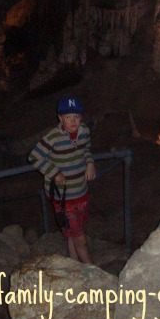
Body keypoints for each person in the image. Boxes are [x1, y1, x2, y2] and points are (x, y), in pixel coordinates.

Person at [28, 95, 96, 263]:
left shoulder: (84, 131)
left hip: (80, 191)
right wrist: (54, 172)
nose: (73, 121)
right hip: (63, 196)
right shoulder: (53, 137)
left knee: (73, 230)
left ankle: (73, 262)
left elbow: (86, 148)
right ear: (60, 118)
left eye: (76, 116)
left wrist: (90, 162)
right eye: (68, 117)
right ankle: (92, 271)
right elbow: (34, 157)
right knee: (80, 238)